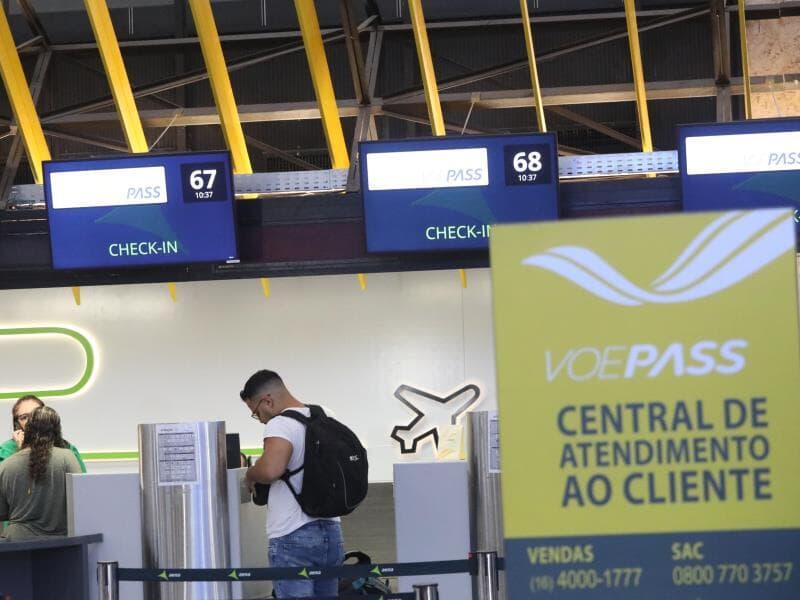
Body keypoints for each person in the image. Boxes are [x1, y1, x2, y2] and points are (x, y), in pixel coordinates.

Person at [241, 369, 344, 599]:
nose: (260, 419)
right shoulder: (325, 415)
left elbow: (271, 470)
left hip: (292, 534)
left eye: (256, 412)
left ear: (267, 400)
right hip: (331, 531)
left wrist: (250, 474)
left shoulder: (280, 424)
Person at [0, 406, 82, 540]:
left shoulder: (6, 465)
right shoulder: (67, 458)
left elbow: (2, 512)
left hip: (17, 543)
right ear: (57, 430)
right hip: (59, 544)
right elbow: (80, 501)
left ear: (28, 430)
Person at [0, 395, 86, 472]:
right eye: (24, 417)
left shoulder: (67, 448)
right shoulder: (6, 450)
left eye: (36, 414)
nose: (31, 421)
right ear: (17, 424)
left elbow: (81, 482)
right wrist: (22, 452)